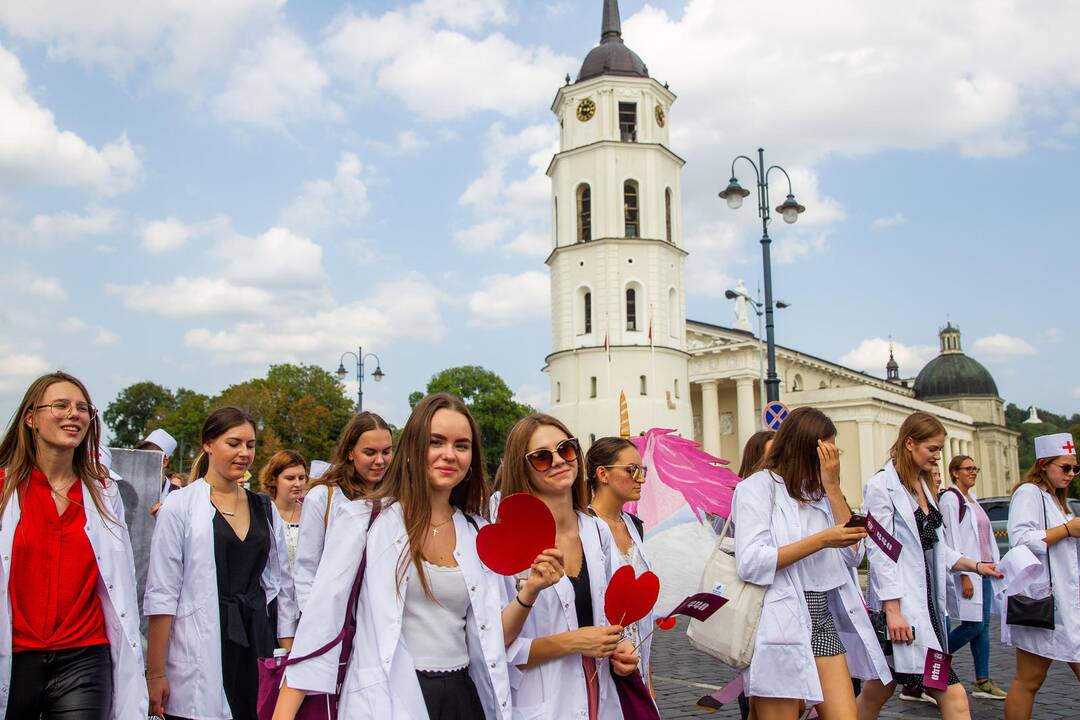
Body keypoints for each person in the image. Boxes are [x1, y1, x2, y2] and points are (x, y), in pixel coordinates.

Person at [276, 393, 562, 719]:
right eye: (436, 442)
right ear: (412, 448)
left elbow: (492, 638)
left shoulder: (476, 532)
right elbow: (319, 629)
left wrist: (530, 591)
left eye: (462, 446)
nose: (449, 455)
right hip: (389, 697)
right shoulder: (364, 521)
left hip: (462, 698)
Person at [0, 371, 147, 719]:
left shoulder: (103, 492)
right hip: (14, 655)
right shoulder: (5, 488)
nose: (74, 414)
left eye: (83, 408)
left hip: (84, 657)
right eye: (61, 405)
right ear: (31, 418)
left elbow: (121, 577)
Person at [733, 406, 889, 720]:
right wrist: (821, 540)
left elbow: (853, 555)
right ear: (805, 450)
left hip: (820, 618)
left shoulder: (819, 493)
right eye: (826, 451)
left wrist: (833, 487)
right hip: (778, 619)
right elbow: (750, 561)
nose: (830, 459)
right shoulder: (756, 489)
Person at [144, 406, 297, 720]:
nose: (244, 453)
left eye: (250, 445)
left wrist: (289, 656)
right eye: (234, 443)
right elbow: (162, 593)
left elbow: (282, 587)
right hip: (200, 641)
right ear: (208, 444)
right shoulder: (181, 505)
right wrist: (155, 673)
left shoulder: (264, 509)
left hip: (255, 643)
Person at [858, 412, 1001, 720]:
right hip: (904, 611)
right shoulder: (881, 486)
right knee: (953, 694)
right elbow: (881, 553)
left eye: (939, 449)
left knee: (877, 688)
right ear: (910, 443)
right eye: (932, 449)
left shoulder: (924, 485)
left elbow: (937, 548)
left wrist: (975, 566)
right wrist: (894, 611)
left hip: (929, 609)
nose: (938, 457)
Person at [496, 414, 640, 720]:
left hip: (600, 697)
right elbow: (496, 645)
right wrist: (569, 642)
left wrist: (622, 647)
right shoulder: (510, 542)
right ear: (523, 469)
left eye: (566, 449)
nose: (559, 461)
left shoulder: (596, 530)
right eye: (542, 458)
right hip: (544, 701)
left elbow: (608, 615)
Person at [1002, 433, 1080, 720]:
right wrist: (1068, 530)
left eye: (1075, 468)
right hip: (1045, 604)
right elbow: (1020, 539)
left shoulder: (1055, 499)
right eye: (1065, 467)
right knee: (1028, 680)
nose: (1071, 474)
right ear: (1044, 464)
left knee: (1028, 680)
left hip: (1064, 604)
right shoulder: (1029, 493)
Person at [293, 411, 392, 612]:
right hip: (335, 617)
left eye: (387, 451)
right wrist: (314, 621)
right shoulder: (322, 497)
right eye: (370, 452)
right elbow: (306, 569)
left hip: (380, 615)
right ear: (350, 452)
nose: (380, 460)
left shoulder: (396, 499)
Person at [586, 437, 655, 689]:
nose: (641, 478)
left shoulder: (634, 526)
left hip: (636, 659)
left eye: (642, 470)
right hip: (602, 663)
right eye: (631, 470)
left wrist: (648, 680)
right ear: (603, 474)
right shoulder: (585, 528)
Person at [939, 455, 1006, 699]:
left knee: (983, 626)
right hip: (969, 571)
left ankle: (983, 680)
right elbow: (952, 540)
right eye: (968, 468)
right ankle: (933, 662)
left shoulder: (973, 499)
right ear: (954, 472)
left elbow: (984, 537)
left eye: (975, 468)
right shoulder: (950, 498)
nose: (973, 472)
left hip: (984, 570)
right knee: (974, 625)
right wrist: (965, 573)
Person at [259, 450, 308, 571]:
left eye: (301, 478)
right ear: (274, 479)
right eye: (290, 478)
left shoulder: (311, 512)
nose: (297, 484)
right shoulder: (262, 513)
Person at [140, 428, 179, 516]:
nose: (144, 462)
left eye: (150, 457)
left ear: (164, 462)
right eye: (142, 456)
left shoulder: (179, 495)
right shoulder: (131, 490)